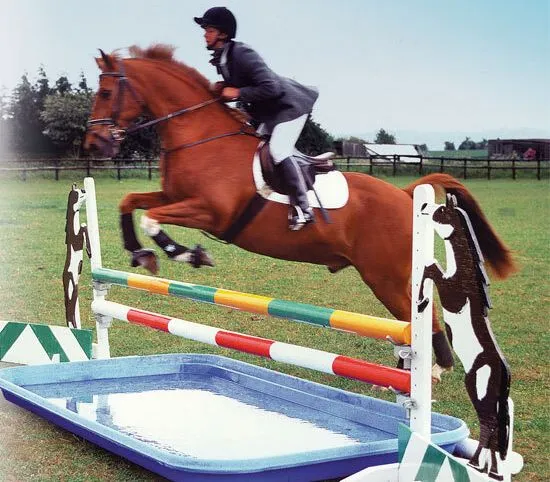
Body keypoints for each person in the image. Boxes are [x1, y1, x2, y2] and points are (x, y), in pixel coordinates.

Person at [194, 6, 318, 230]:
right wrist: (225, 89)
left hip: (290, 107)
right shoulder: (223, 58)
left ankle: (303, 209)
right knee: (251, 149)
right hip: (270, 113)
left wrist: (238, 93)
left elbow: (270, 87)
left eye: (209, 29)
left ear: (222, 33)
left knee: (279, 151)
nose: (205, 34)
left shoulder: (242, 53)